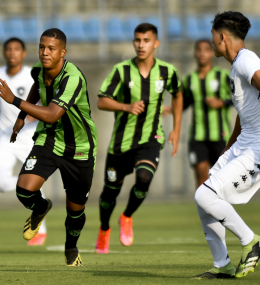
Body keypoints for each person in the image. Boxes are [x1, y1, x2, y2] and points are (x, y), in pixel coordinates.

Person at [191, 11, 260, 279]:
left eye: (213, 36)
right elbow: (245, 110)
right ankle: (222, 264)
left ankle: (251, 241)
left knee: (204, 195)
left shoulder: (246, 61)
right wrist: (230, 145)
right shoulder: (237, 65)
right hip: (246, 141)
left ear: (222, 36)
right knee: (205, 196)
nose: (211, 42)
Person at [0, 28, 97, 266]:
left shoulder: (73, 78)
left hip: (79, 147)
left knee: (76, 209)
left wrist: (14, 101)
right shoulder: (38, 70)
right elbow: (36, 87)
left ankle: (71, 246)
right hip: (49, 139)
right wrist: (21, 115)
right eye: (41, 47)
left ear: (63, 52)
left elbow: (51, 114)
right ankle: (41, 207)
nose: (44, 52)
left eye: (51, 48)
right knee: (24, 190)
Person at [94, 23, 183, 254]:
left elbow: (178, 94)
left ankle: (127, 216)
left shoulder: (166, 71)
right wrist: (126, 106)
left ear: (156, 43)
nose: (141, 45)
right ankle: (104, 229)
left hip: (151, 139)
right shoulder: (121, 70)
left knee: (144, 178)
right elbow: (102, 101)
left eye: (145, 40)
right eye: (137, 40)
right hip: (120, 144)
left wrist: (176, 129)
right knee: (108, 194)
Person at [0, 38, 47, 246]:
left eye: (17, 49)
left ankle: (40, 230)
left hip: (29, 138)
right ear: (4, 53)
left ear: (24, 54)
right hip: (5, 139)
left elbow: (43, 101)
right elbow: (0, 100)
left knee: (34, 180)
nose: (12, 53)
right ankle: (38, 201)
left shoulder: (31, 75)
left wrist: (29, 117)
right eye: (8, 49)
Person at [182, 39, 233, 187]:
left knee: (221, 177)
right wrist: (171, 109)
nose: (202, 53)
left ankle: (219, 208)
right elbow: (185, 102)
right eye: (199, 50)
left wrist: (222, 102)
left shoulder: (223, 76)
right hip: (197, 136)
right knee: (201, 173)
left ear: (211, 53)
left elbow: (238, 98)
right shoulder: (189, 79)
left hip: (220, 135)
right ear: (195, 53)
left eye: (206, 50)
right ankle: (204, 209)